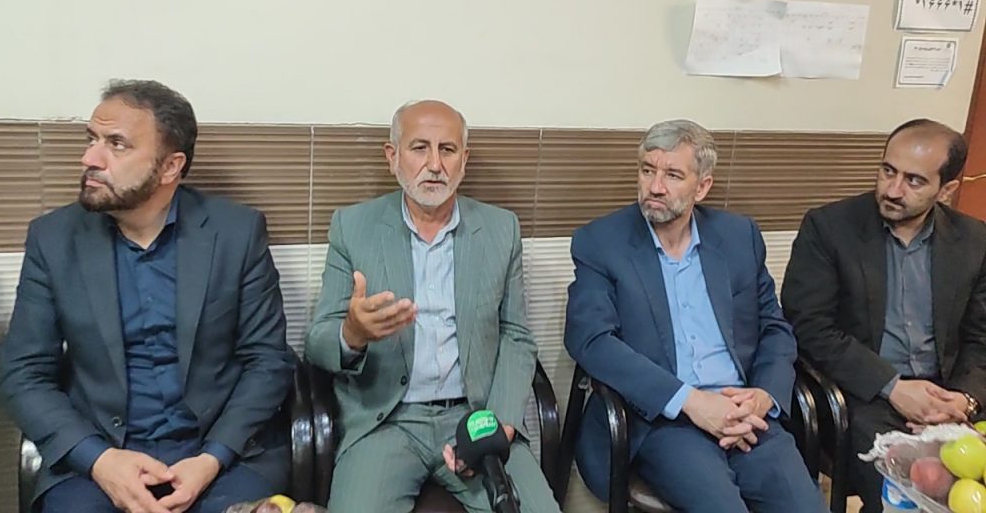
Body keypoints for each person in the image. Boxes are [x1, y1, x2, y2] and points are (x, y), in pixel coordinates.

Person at [0, 80, 294, 513]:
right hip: (97, 460)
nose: (90, 158)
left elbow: (268, 361)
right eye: (92, 139)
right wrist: (99, 459)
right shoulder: (54, 239)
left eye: (116, 144)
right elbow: (23, 373)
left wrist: (211, 459)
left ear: (170, 167)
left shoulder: (236, 233)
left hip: (220, 457)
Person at [305, 99, 561, 513]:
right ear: (392, 156)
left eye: (448, 150)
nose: (435, 165)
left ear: (464, 159)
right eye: (419, 148)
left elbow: (516, 335)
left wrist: (502, 424)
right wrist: (352, 334)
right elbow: (317, 342)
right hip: (385, 421)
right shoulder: (353, 227)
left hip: (474, 415)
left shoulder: (500, 230)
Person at [565, 119, 827, 513]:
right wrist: (691, 402)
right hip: (665, 421)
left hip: (743, 411)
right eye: (647, 170)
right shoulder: (601, 242)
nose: (655, 186)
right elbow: (591, 340)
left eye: (673, 175)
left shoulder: (738, 237)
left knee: (805, 507)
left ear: (702, 187)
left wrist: (763, 397)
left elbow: (774, 328)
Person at [782, 118, 986, 513]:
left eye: (914, 181)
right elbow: (809, 326)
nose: (893, 190)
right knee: (919, 493)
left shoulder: (974, 240)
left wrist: (963, 400)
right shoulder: (829, 228)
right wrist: (893, 387)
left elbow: (981, 336)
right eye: (888, 171)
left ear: (946, 190)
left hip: (950, 390)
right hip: (865, 394)